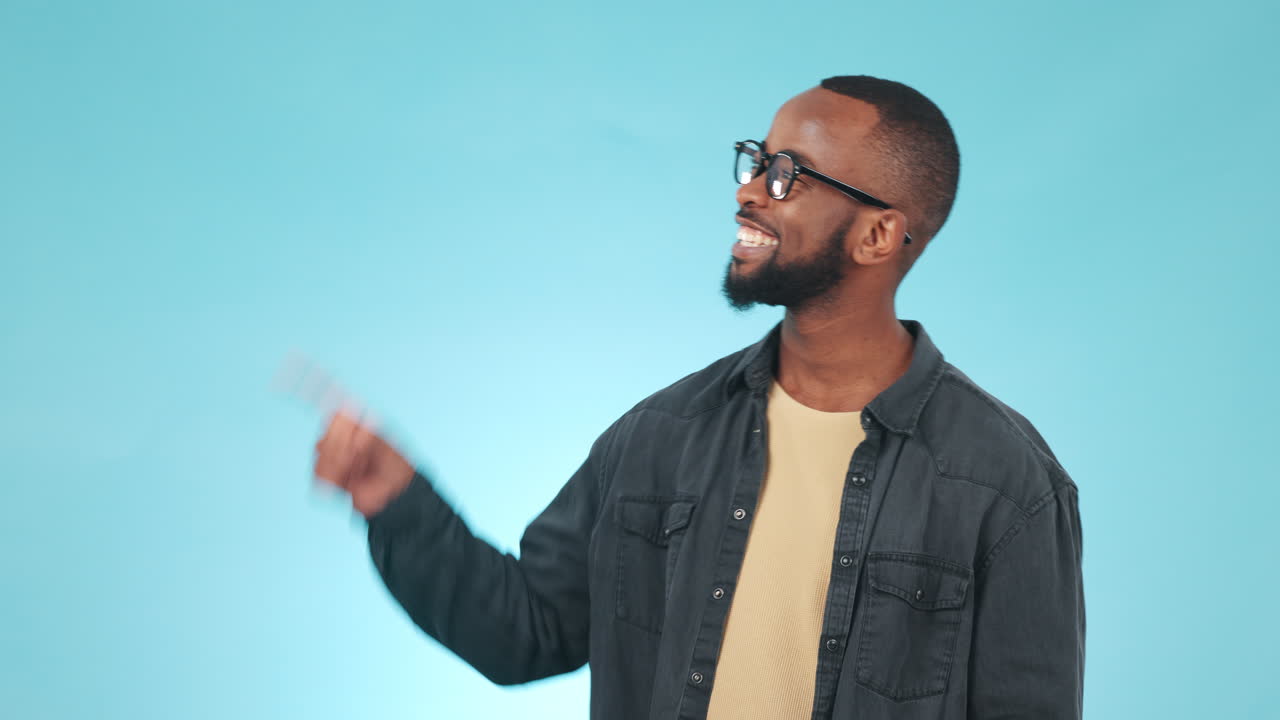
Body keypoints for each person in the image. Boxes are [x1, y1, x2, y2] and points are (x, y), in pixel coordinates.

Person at [312, 74, 1085, 720]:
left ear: (878, 236)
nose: (751, 191)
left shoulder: (1005, 488)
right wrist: (401, 505)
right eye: (755, 160)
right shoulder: (659, 438)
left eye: (788, 173)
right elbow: (528, 631)